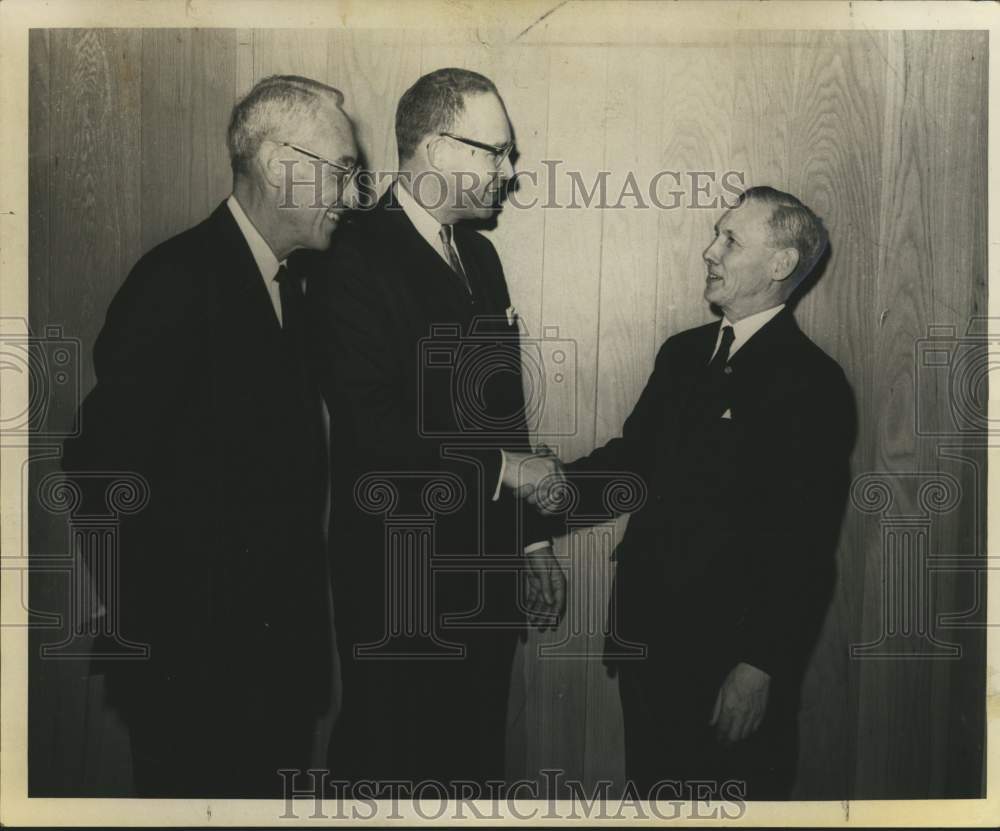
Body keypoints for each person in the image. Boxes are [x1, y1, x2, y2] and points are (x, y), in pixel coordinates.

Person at [61, 75, 360, 798]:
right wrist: (156, 636)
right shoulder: (177, 280)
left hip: (269, 668)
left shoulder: (295, 285)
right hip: (193, 675)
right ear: (280, 164)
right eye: (344, 172)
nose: (352, 198)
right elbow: (97, 469)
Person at [518, 186, 856, 799]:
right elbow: (635, 467)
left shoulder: (813, 383)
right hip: (647, 646)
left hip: (728, 661)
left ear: (780, 265)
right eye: (715, 233)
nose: (709, 250)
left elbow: (804, 547)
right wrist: (554, 489)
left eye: (730, 240)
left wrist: (760, 667)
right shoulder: (683, 355)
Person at [308, 67, 565, 795]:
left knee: (469, 770)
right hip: (400, 583)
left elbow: (500, 408)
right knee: (389, 772)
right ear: (432, 147)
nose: (509, 173)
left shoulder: (479, 254)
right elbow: (370, 422)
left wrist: (530, 540)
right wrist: (506, 473)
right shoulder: (352, 252)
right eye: (496, 152)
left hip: (482, 581)